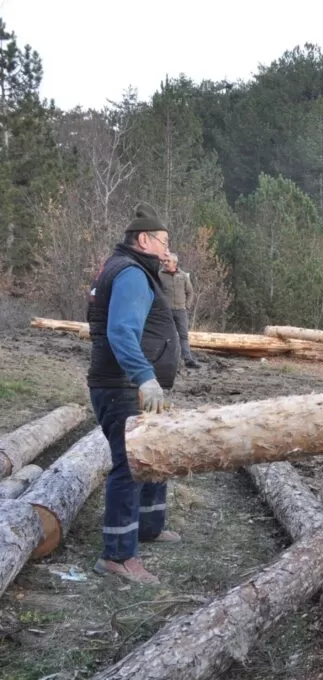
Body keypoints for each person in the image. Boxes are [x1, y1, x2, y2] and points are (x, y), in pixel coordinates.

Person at [87, 203, 181, 585]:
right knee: (129, 464)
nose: (168, 250)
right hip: (124, 386)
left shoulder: (134, 269)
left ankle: (149, 527)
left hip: (136, 386)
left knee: (156, 453)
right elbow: (121, 332)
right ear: (144, 239)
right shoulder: (129, 274)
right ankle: (118, 557)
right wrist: (144, 377)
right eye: (164, 242)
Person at [159, 253, 200, 369]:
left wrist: (187, 306)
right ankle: (165, 360)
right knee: (166, 335)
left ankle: (187, 360)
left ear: (175, 263)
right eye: (165, 261)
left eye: (168, 261)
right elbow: (155, 292)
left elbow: (190, 292)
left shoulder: (183, 276)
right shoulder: (159, 275)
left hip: (181, 311)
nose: (165, 263)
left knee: (183, 335)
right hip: (166, 312)